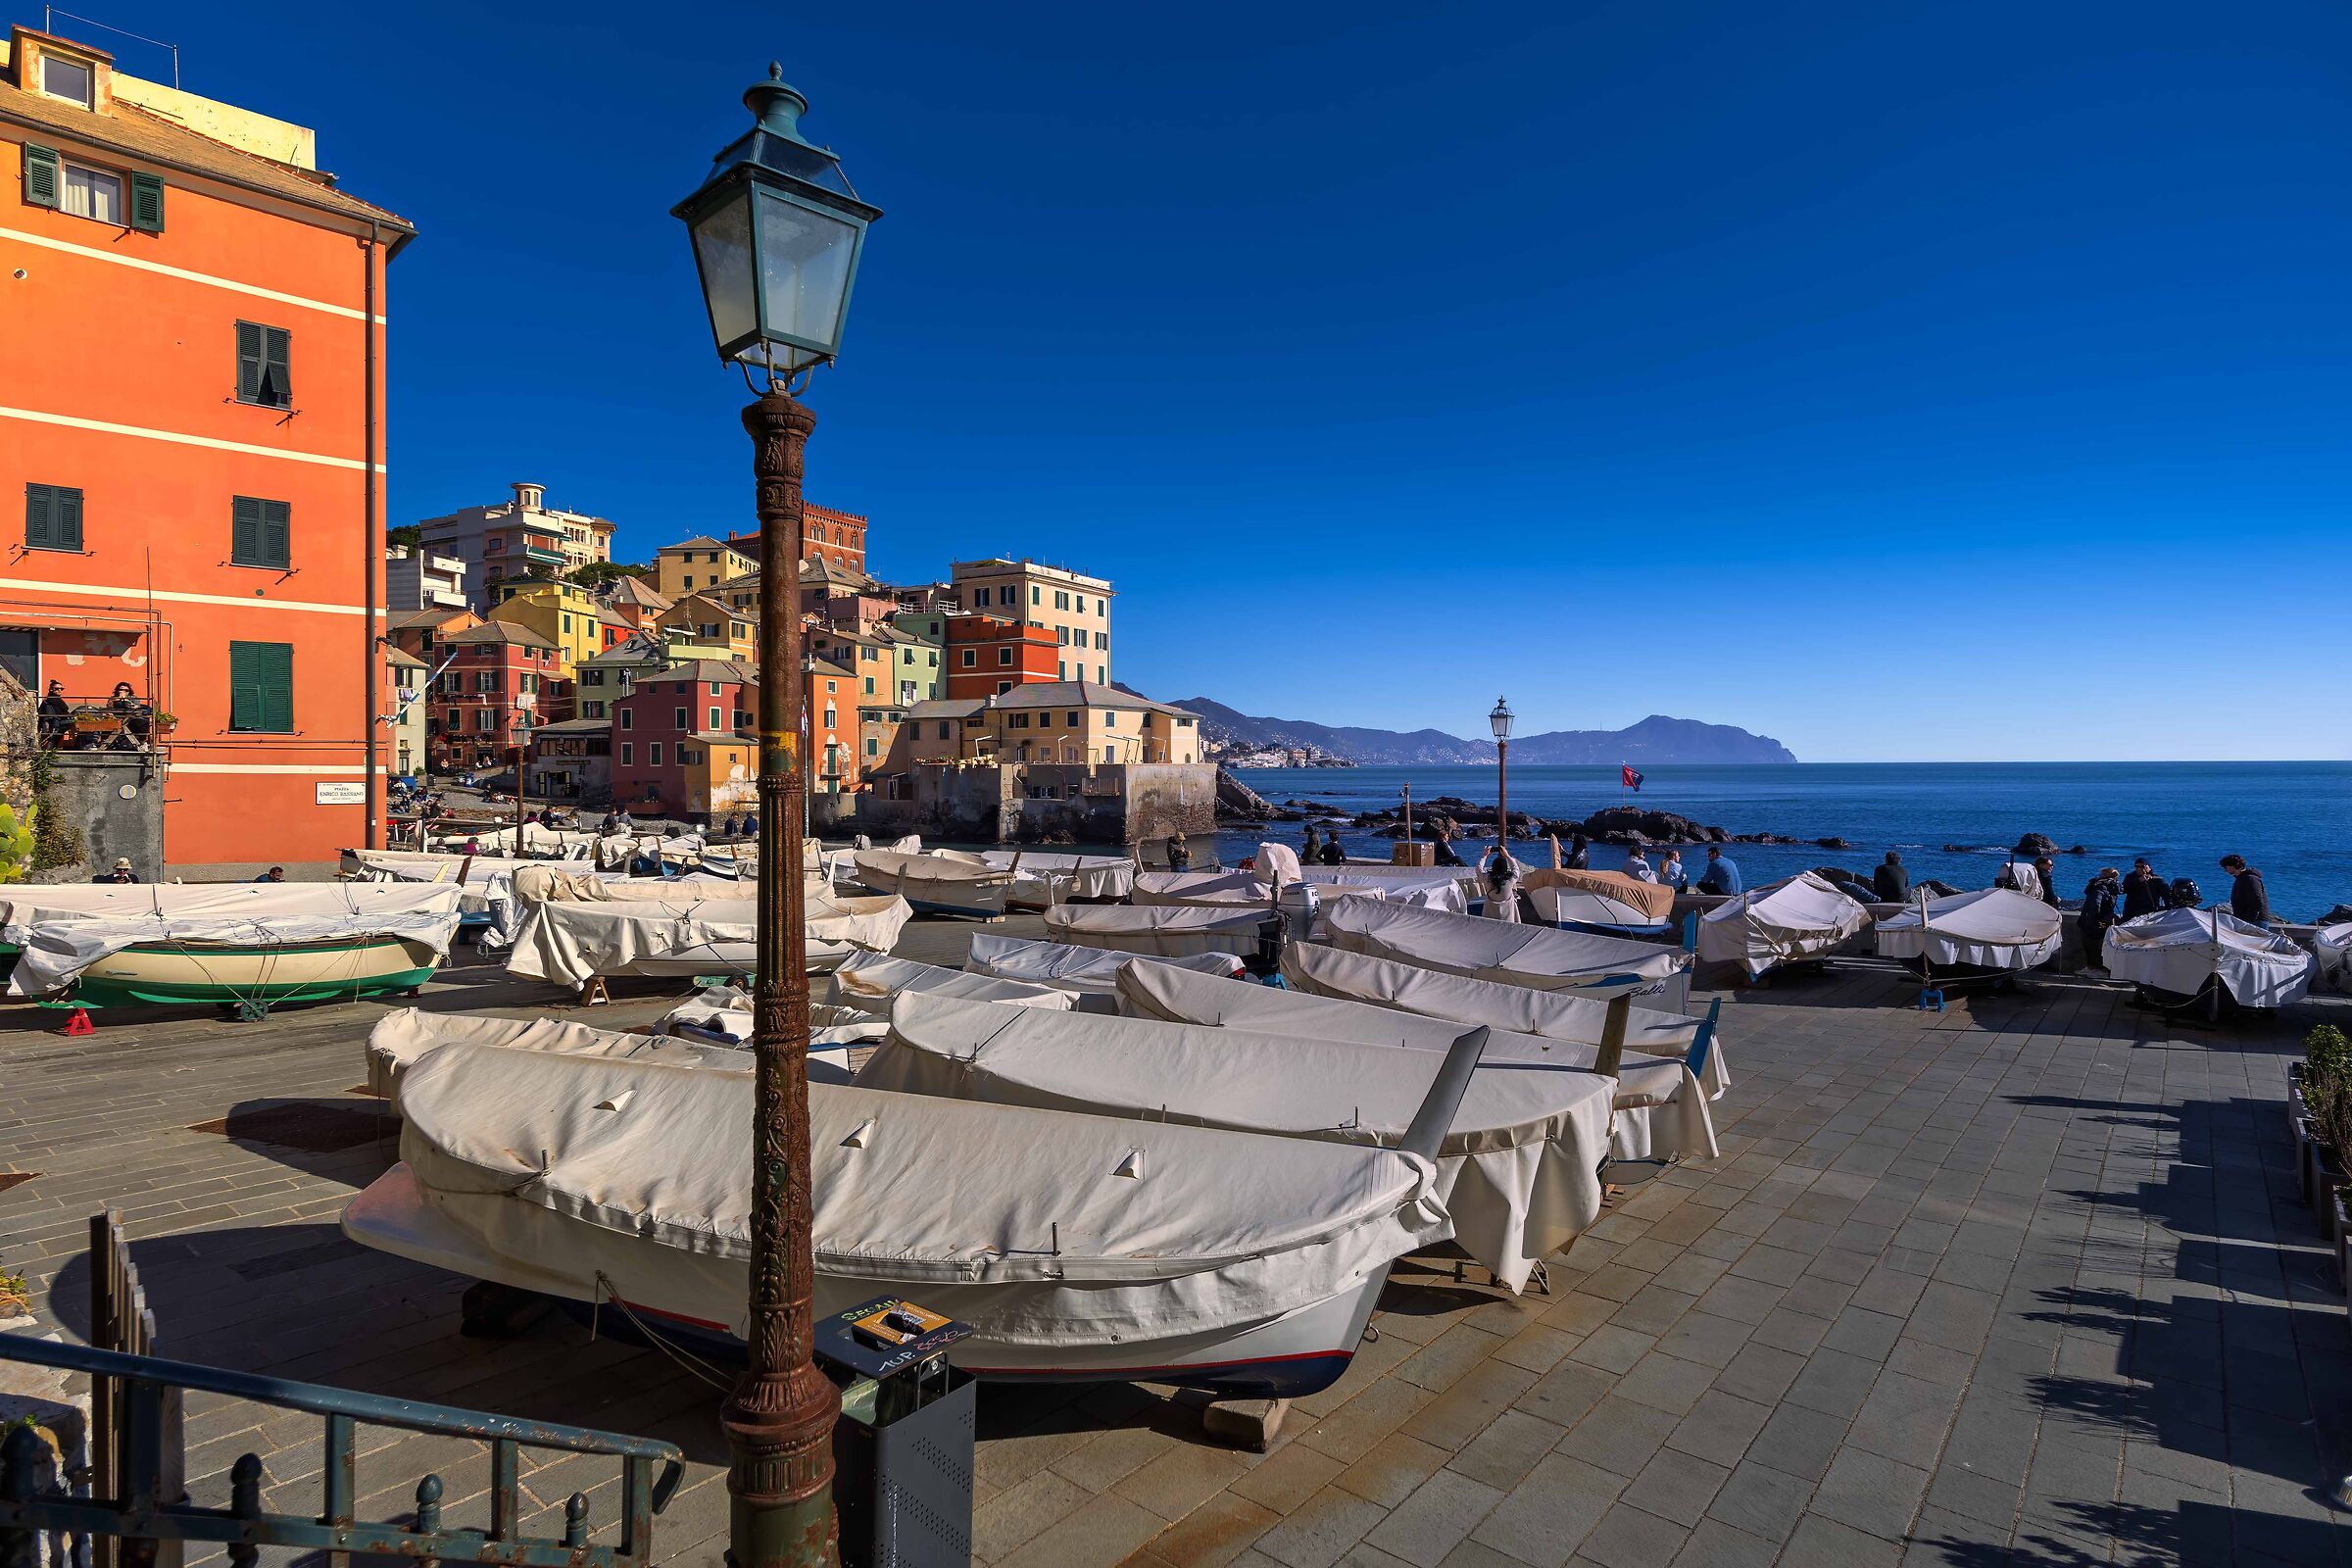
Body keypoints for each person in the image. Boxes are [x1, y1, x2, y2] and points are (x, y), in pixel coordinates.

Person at [2079, 866, 2120, 974]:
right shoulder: (2113, 887)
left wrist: (2089, 920)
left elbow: (2095, 906)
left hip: (2094, 922)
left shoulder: (2099, 888)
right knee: (2100, 946)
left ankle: (2094, 968)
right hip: (2105, 921)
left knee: (2090, 945)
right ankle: (2099, 968)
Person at [2221, 855, 2270, 925]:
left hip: (2254, 921)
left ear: (2234, 865)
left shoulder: (2250, 879)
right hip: (2245, 919)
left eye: (2226, 866)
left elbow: (2256, 899)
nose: (2224, 869)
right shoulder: (2241, 879)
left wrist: (2249, 919)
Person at [36, 680, 71, 748]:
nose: (59, 690)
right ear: (51, 689)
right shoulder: (51, 701)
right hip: (55, 723)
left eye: (61, 689)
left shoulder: (56, 700)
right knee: (73, 723)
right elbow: (59, 713)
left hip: (56, 722)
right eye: (57, 689)